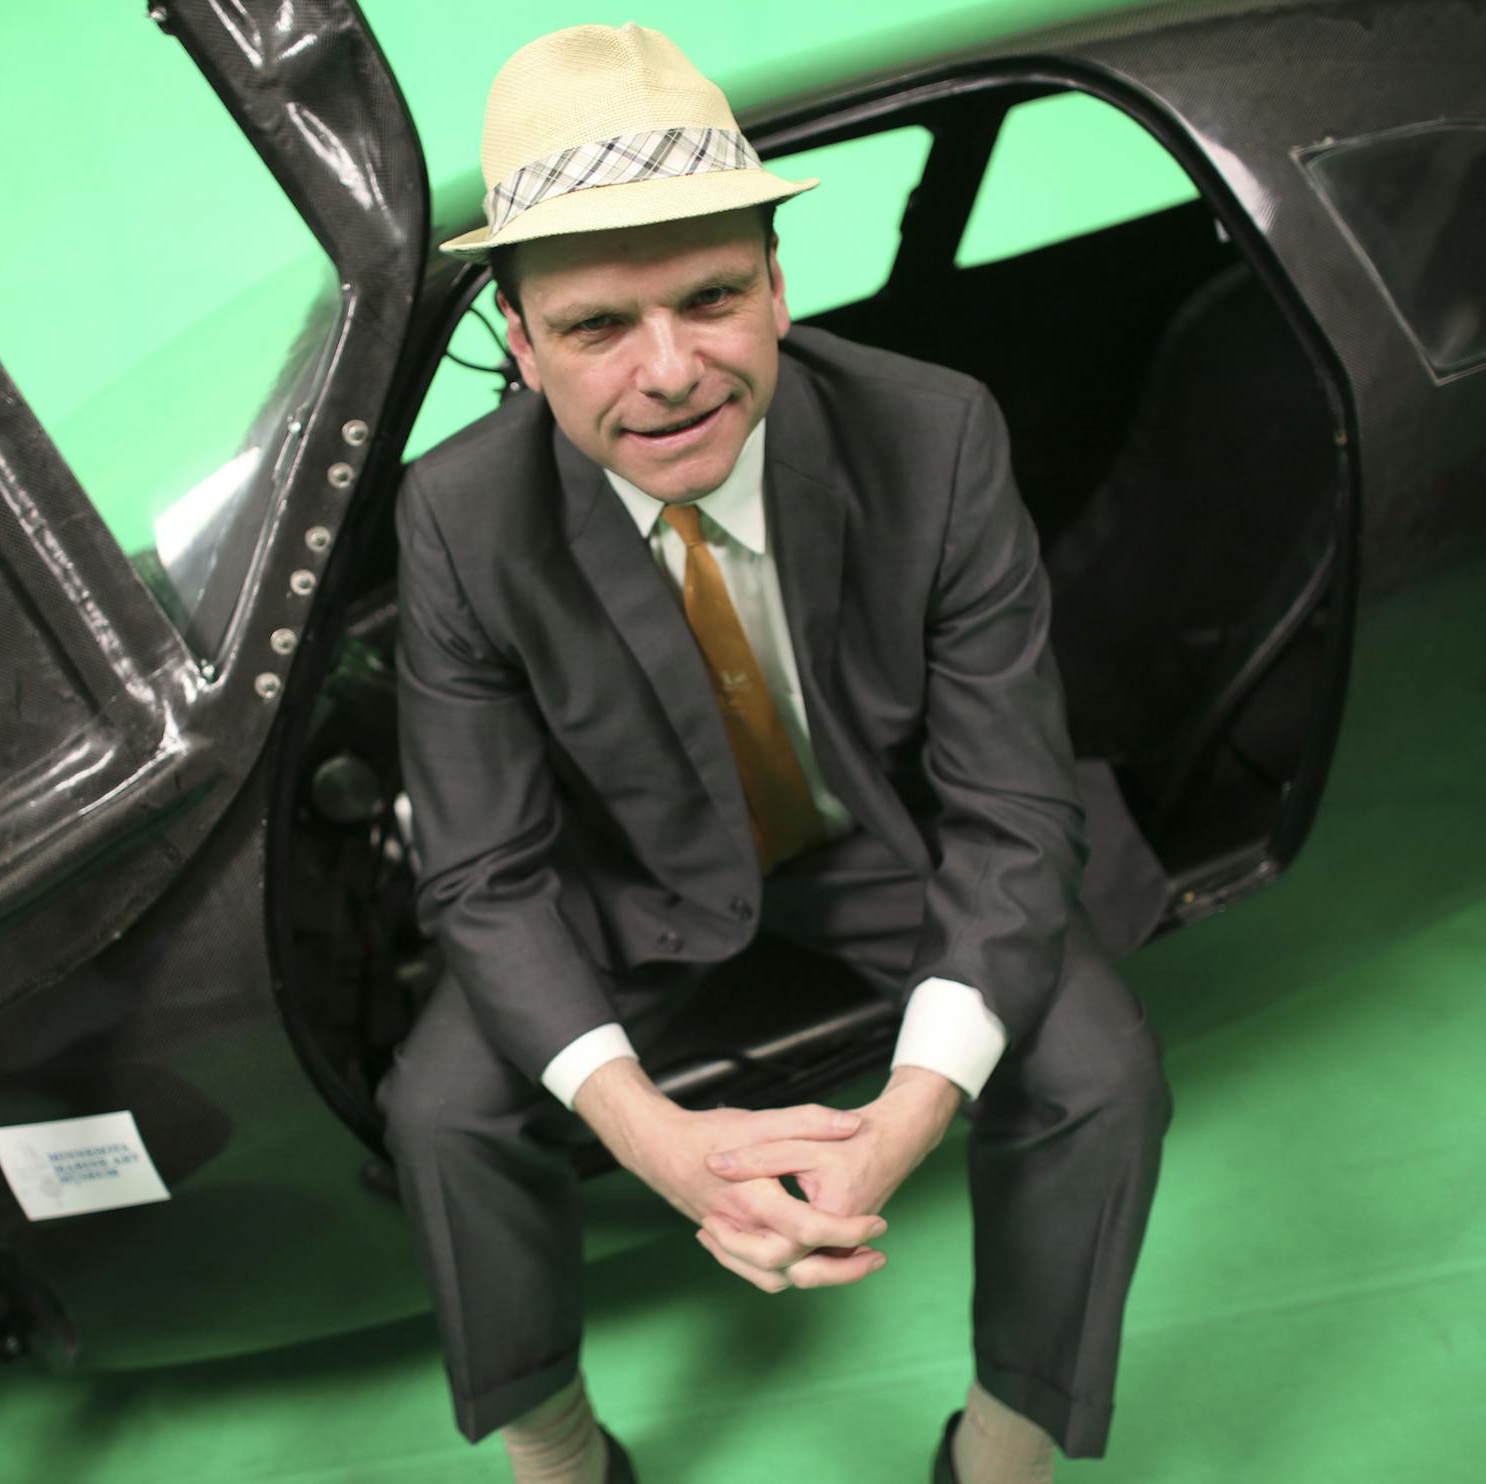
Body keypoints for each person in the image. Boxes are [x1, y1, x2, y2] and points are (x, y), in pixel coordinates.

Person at [382, 22, 1170, 1484]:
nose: (670, 372)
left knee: (1101, 1072)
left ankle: (1004, 1454)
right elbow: (483, 875)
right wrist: (652, 1139)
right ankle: (558, 1454)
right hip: (625, 887)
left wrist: (909, 1117)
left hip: (880, 845)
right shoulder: (457, 517)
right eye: (597, 327)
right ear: (522, 344)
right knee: (440, 1111)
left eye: (711, 299)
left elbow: (1012, 804)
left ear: (778, 285)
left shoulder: (935, 437)